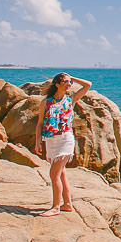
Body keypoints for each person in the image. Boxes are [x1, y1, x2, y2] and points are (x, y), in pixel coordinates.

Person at [33, 72, 91, 216]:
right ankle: (67, 204)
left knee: (54, 174)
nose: (69, 84)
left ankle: (55, 207)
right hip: (51, 140)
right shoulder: (46, 102)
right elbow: (39, 124)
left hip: (65, 139)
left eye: (70, 82)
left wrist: (71, 77)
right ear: (57, 84)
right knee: (61, 173)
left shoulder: (70, 100)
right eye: (65, 81)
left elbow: (87, 85)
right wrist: (38, 142)